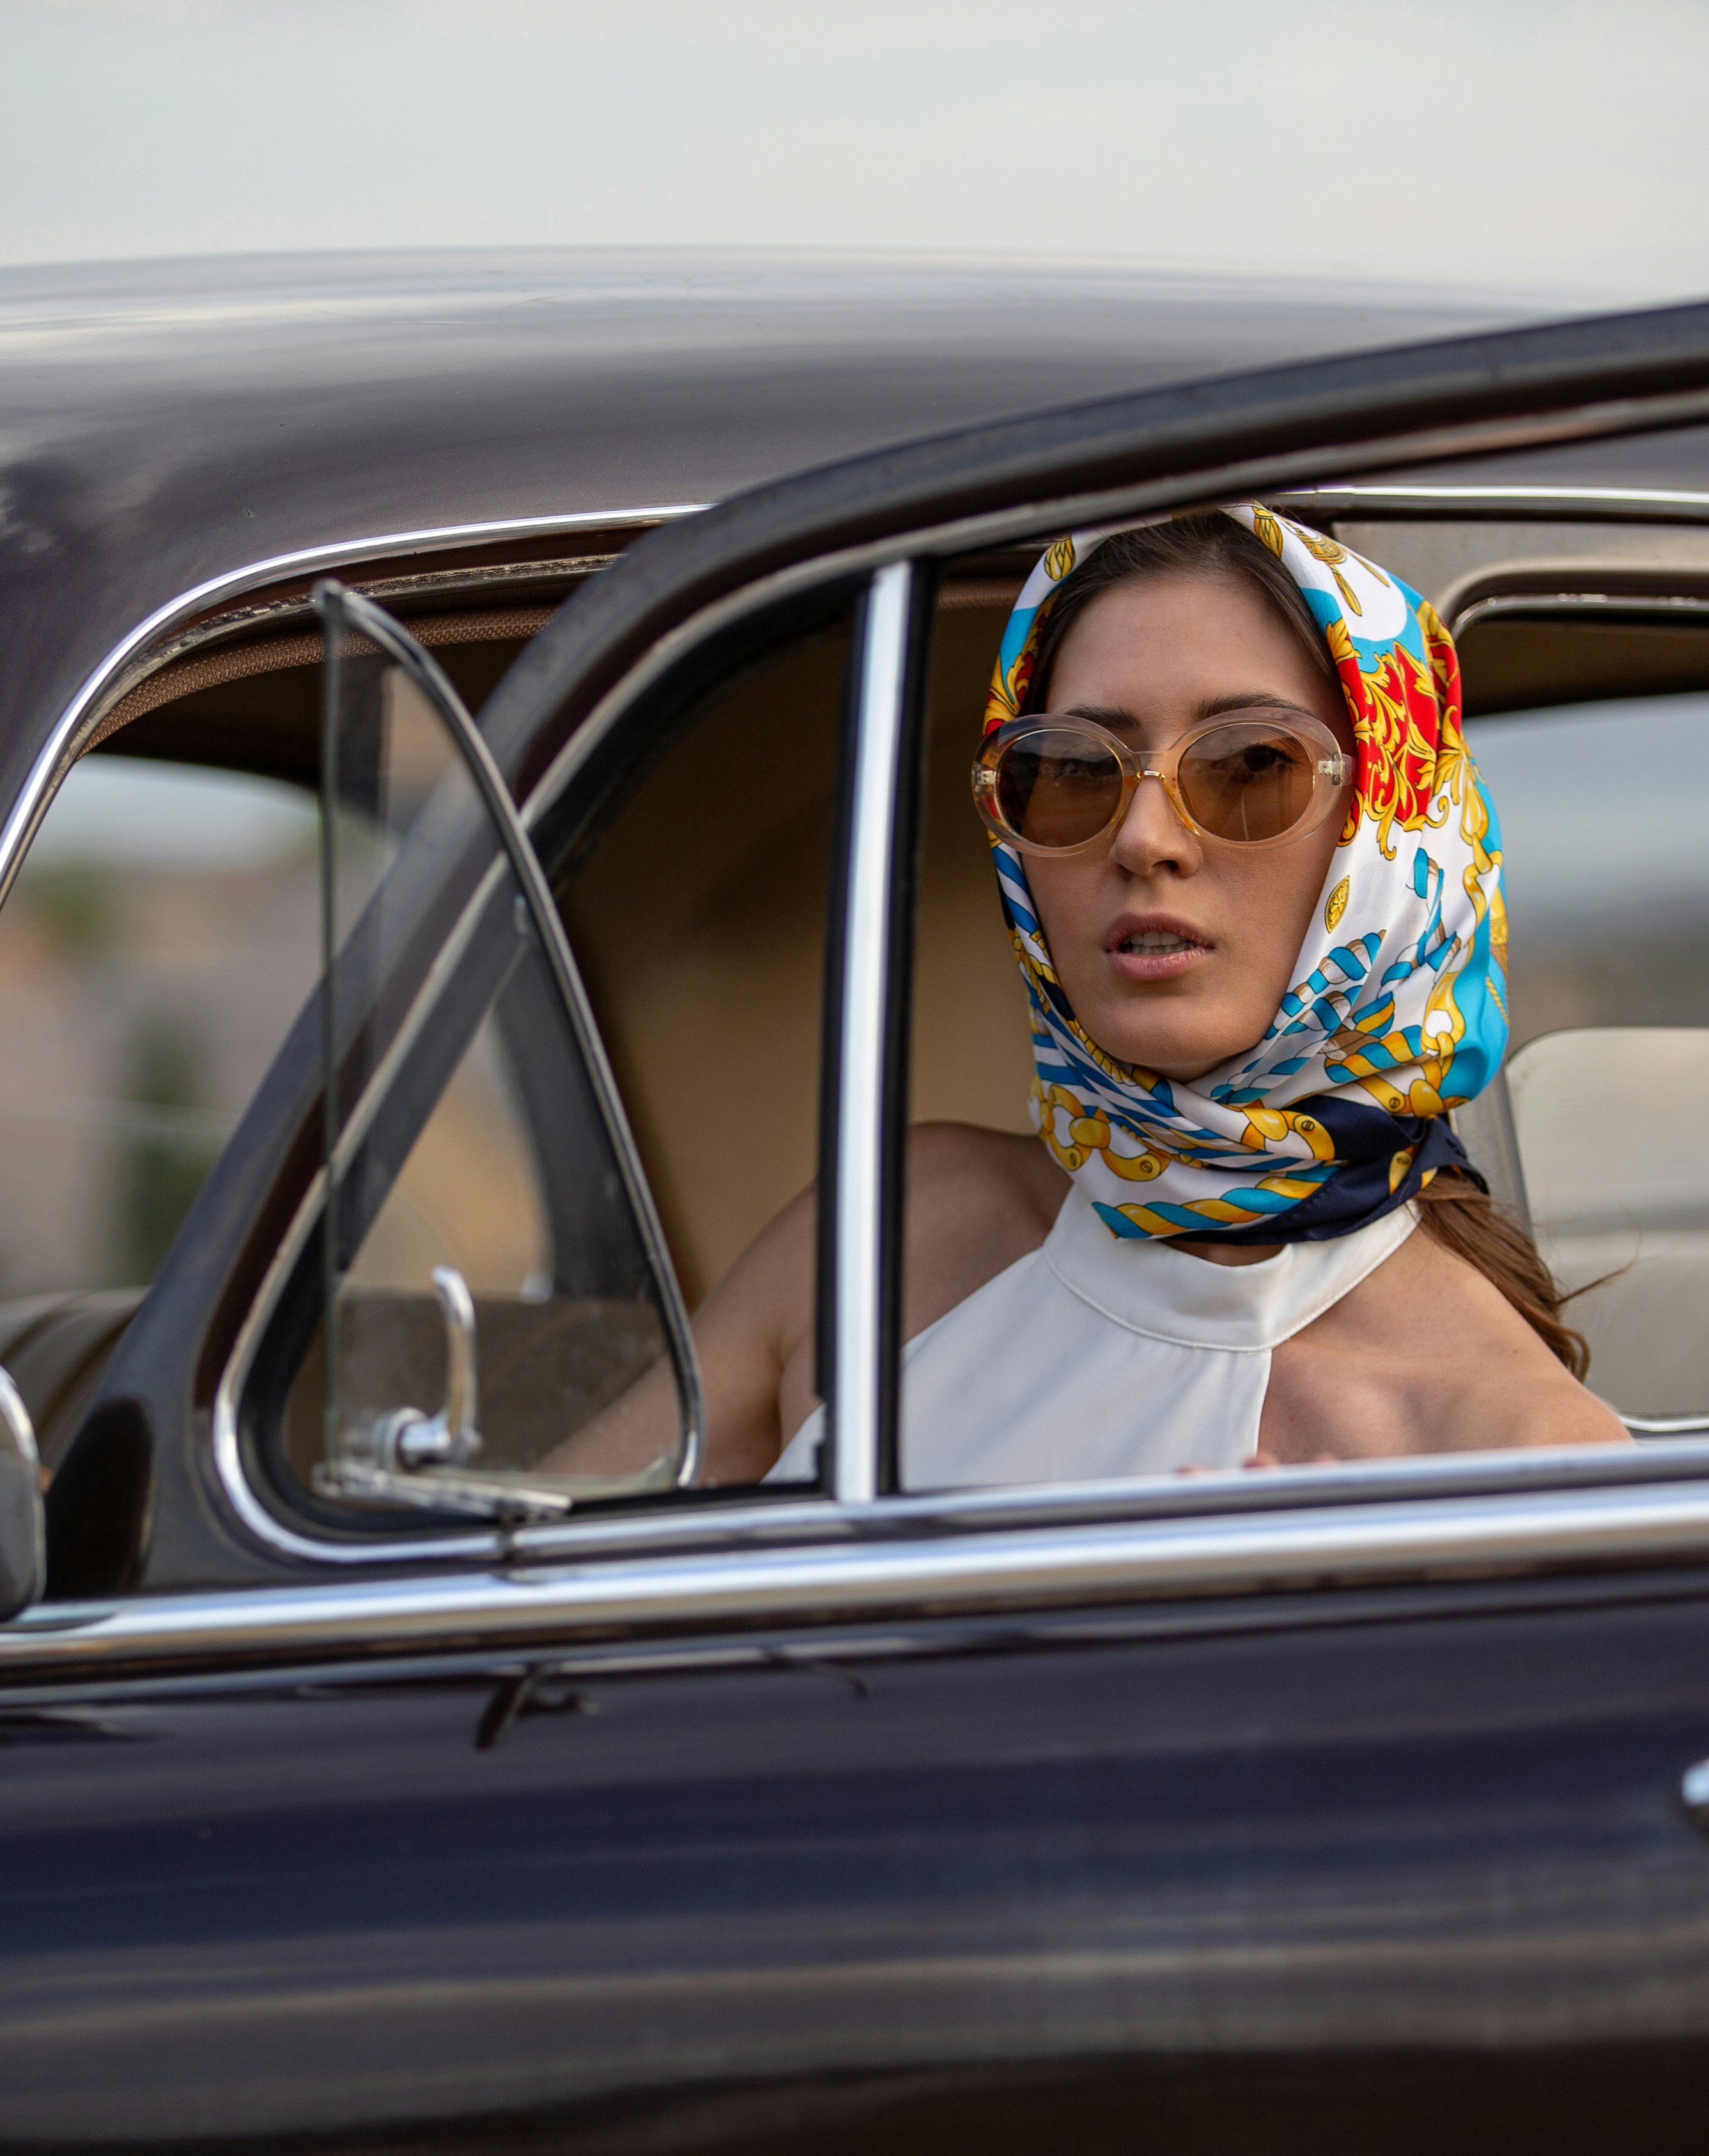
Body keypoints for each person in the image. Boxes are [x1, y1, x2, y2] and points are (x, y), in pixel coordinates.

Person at [667, 506, 1625, 1489]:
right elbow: (524, 1583)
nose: (1144, 838)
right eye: (1078, 771)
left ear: (1392, 827)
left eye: (1252, 764)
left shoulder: (1513, 1449)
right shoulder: (892, 1233)